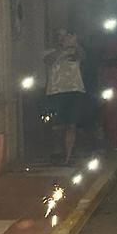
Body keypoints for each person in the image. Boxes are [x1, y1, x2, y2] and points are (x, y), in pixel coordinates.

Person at [43, 28, 87, 164]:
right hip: (55, 92)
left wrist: (75, 44)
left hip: (74, 91)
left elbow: (82, 56)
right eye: (59, 36)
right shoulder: (49, 51)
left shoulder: (77, 51)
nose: (62, 38)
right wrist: (63, 49)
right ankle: (57, 151)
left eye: (66, 36)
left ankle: (67, 157)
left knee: (71, 125)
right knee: (57, 126)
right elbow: (49, 60)